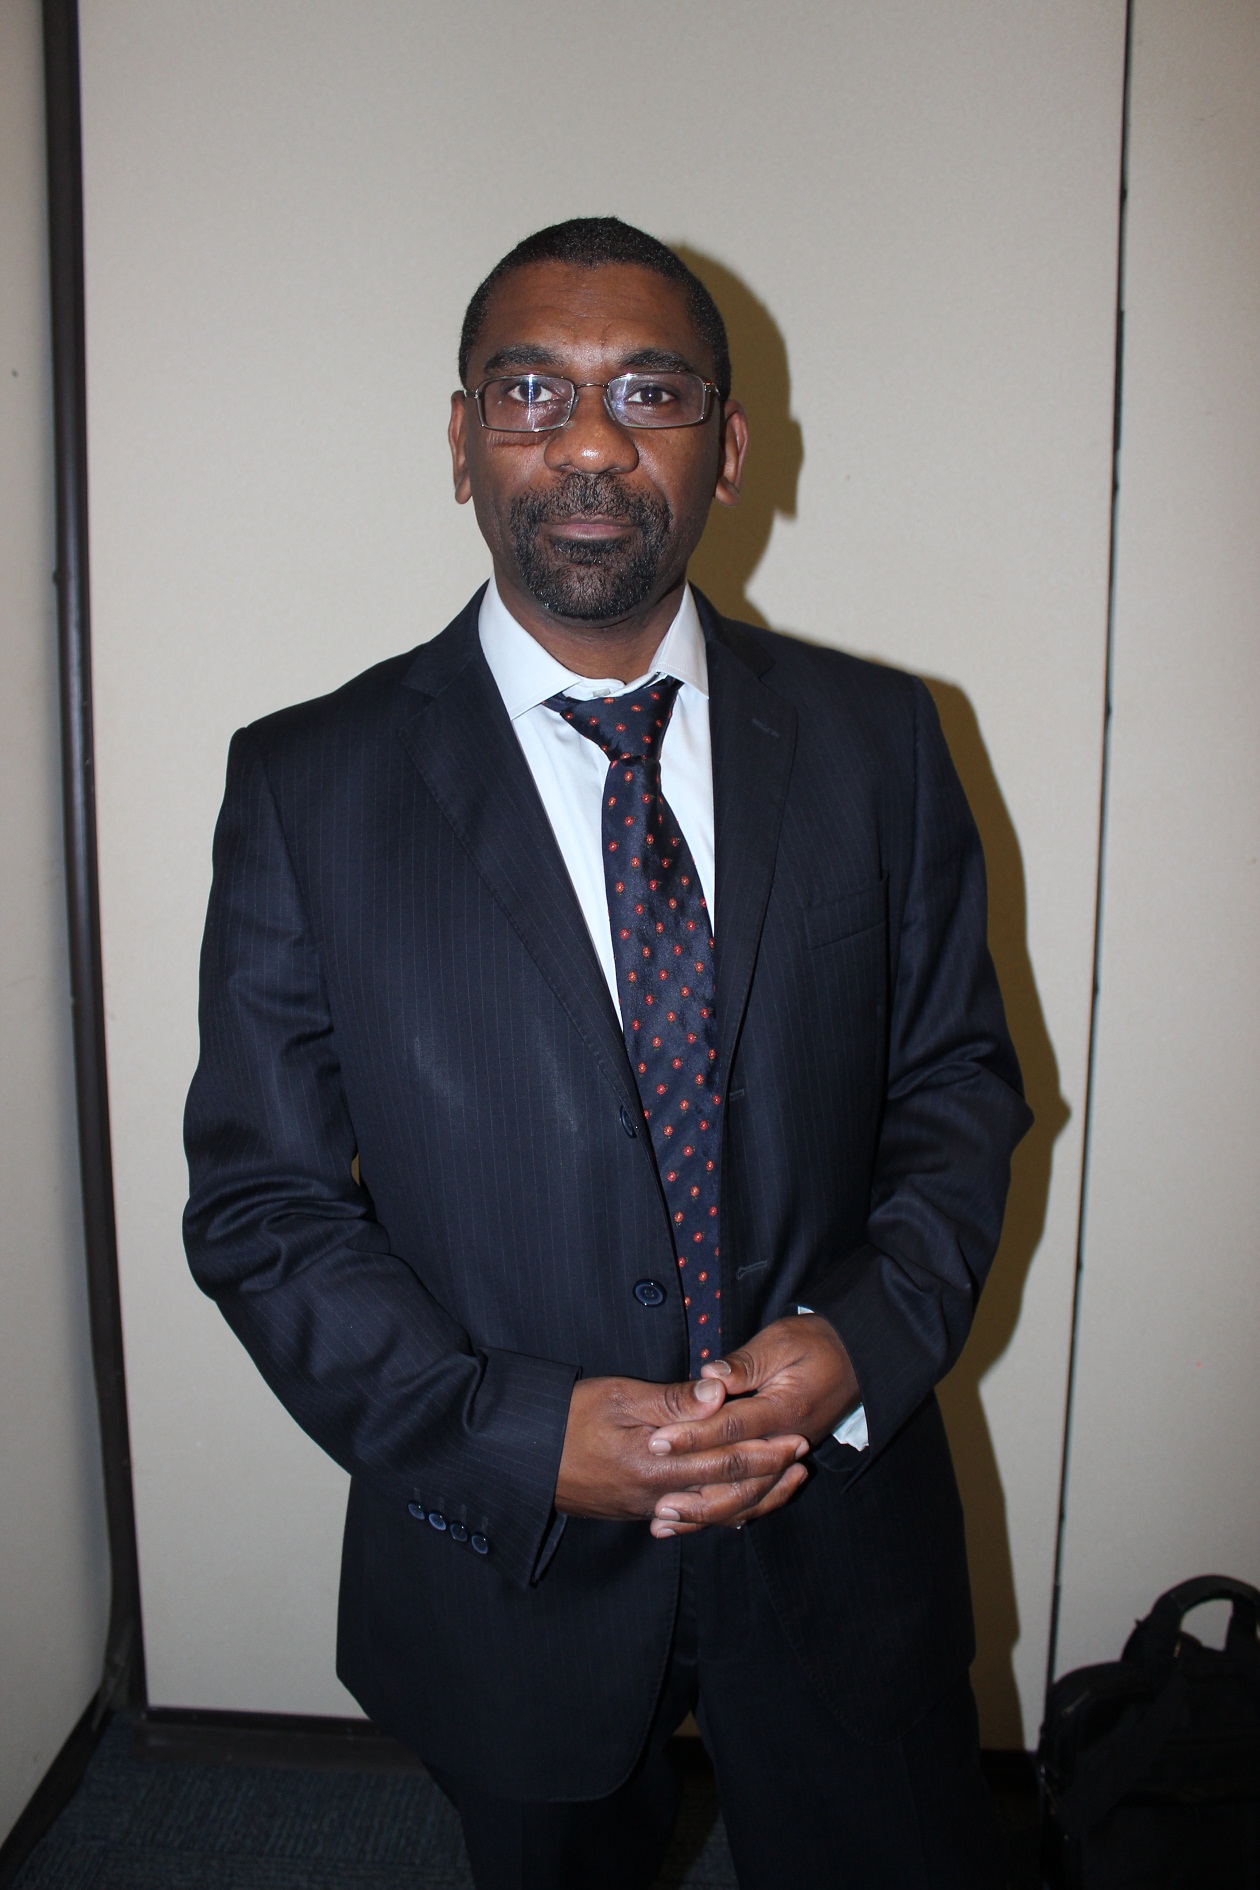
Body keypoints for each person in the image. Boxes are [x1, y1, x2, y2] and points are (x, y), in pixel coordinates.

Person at [184, 216, 1031, 1889]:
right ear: (460, 442)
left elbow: (958, 1087)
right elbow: (263, 1207)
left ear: (728, 448)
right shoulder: (307, 786)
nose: (587, 441)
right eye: (529, 393)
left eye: (648, 392)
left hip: (840, 1530)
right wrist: (513, 1433)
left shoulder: (879, 741)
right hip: (509, 1569)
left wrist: (858, 1340)